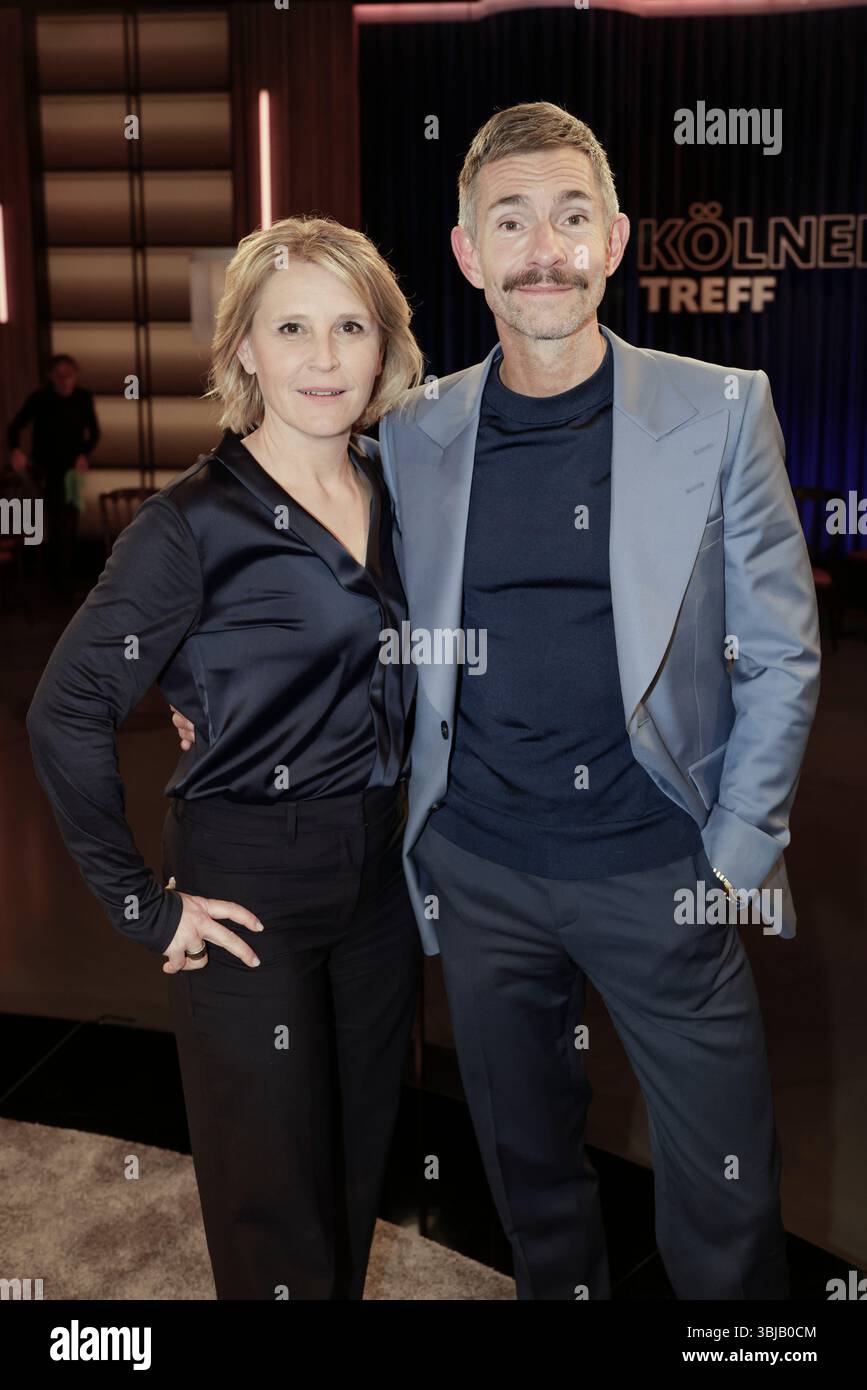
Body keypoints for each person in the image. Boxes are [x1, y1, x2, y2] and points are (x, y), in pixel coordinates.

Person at [174, 103, 825, 1302]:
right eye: (510, 220)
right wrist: (204, 682)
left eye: (572, 218)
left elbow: (781, 653)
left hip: (661, 868)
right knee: (530, 1178)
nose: (544, 247)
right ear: (468, 252)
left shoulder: (724, 408)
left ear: (616, 239)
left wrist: (734, 851)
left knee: (726, 1198)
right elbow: (299, 550)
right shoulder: (416, 429)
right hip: (478, 875)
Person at [26, 216, 424, 1300]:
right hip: (249, 885)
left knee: (350, 1177)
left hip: (382, 883)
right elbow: (63, 714)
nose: (325, 357)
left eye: (351, 326)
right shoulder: (191, 524)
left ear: (384, 346)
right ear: (244, 347)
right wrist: (143, 908)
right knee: (270, 1203)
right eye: (291, 327)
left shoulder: (407, 493)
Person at [8, 353, 100, 594]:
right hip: (45, 468)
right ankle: (53, 579)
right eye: (59, 376)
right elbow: (14, 427)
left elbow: (95, 433)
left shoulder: (82, 398)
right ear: (50, 377)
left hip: (72, 470)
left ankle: (66, 577)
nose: (64, 381)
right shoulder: (40, 398)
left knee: (70, 520)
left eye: (69, 376)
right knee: (54, 520)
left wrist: (84, 454)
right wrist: (16, 451)